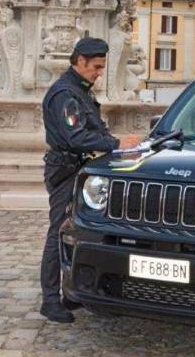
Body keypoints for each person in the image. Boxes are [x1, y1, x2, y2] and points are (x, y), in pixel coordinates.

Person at [39, 37, 139, 323]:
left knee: (78, 232)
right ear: (80, 61)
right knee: (58, 232)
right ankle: (49, 300)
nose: (99, 72)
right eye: (95, 67)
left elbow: (95, 129)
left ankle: (72, 294)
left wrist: (118, 143)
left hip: (78, 169)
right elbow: (76, 136)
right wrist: (118, 143)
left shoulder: (79, 90)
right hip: (65, 170)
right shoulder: (65, 94)